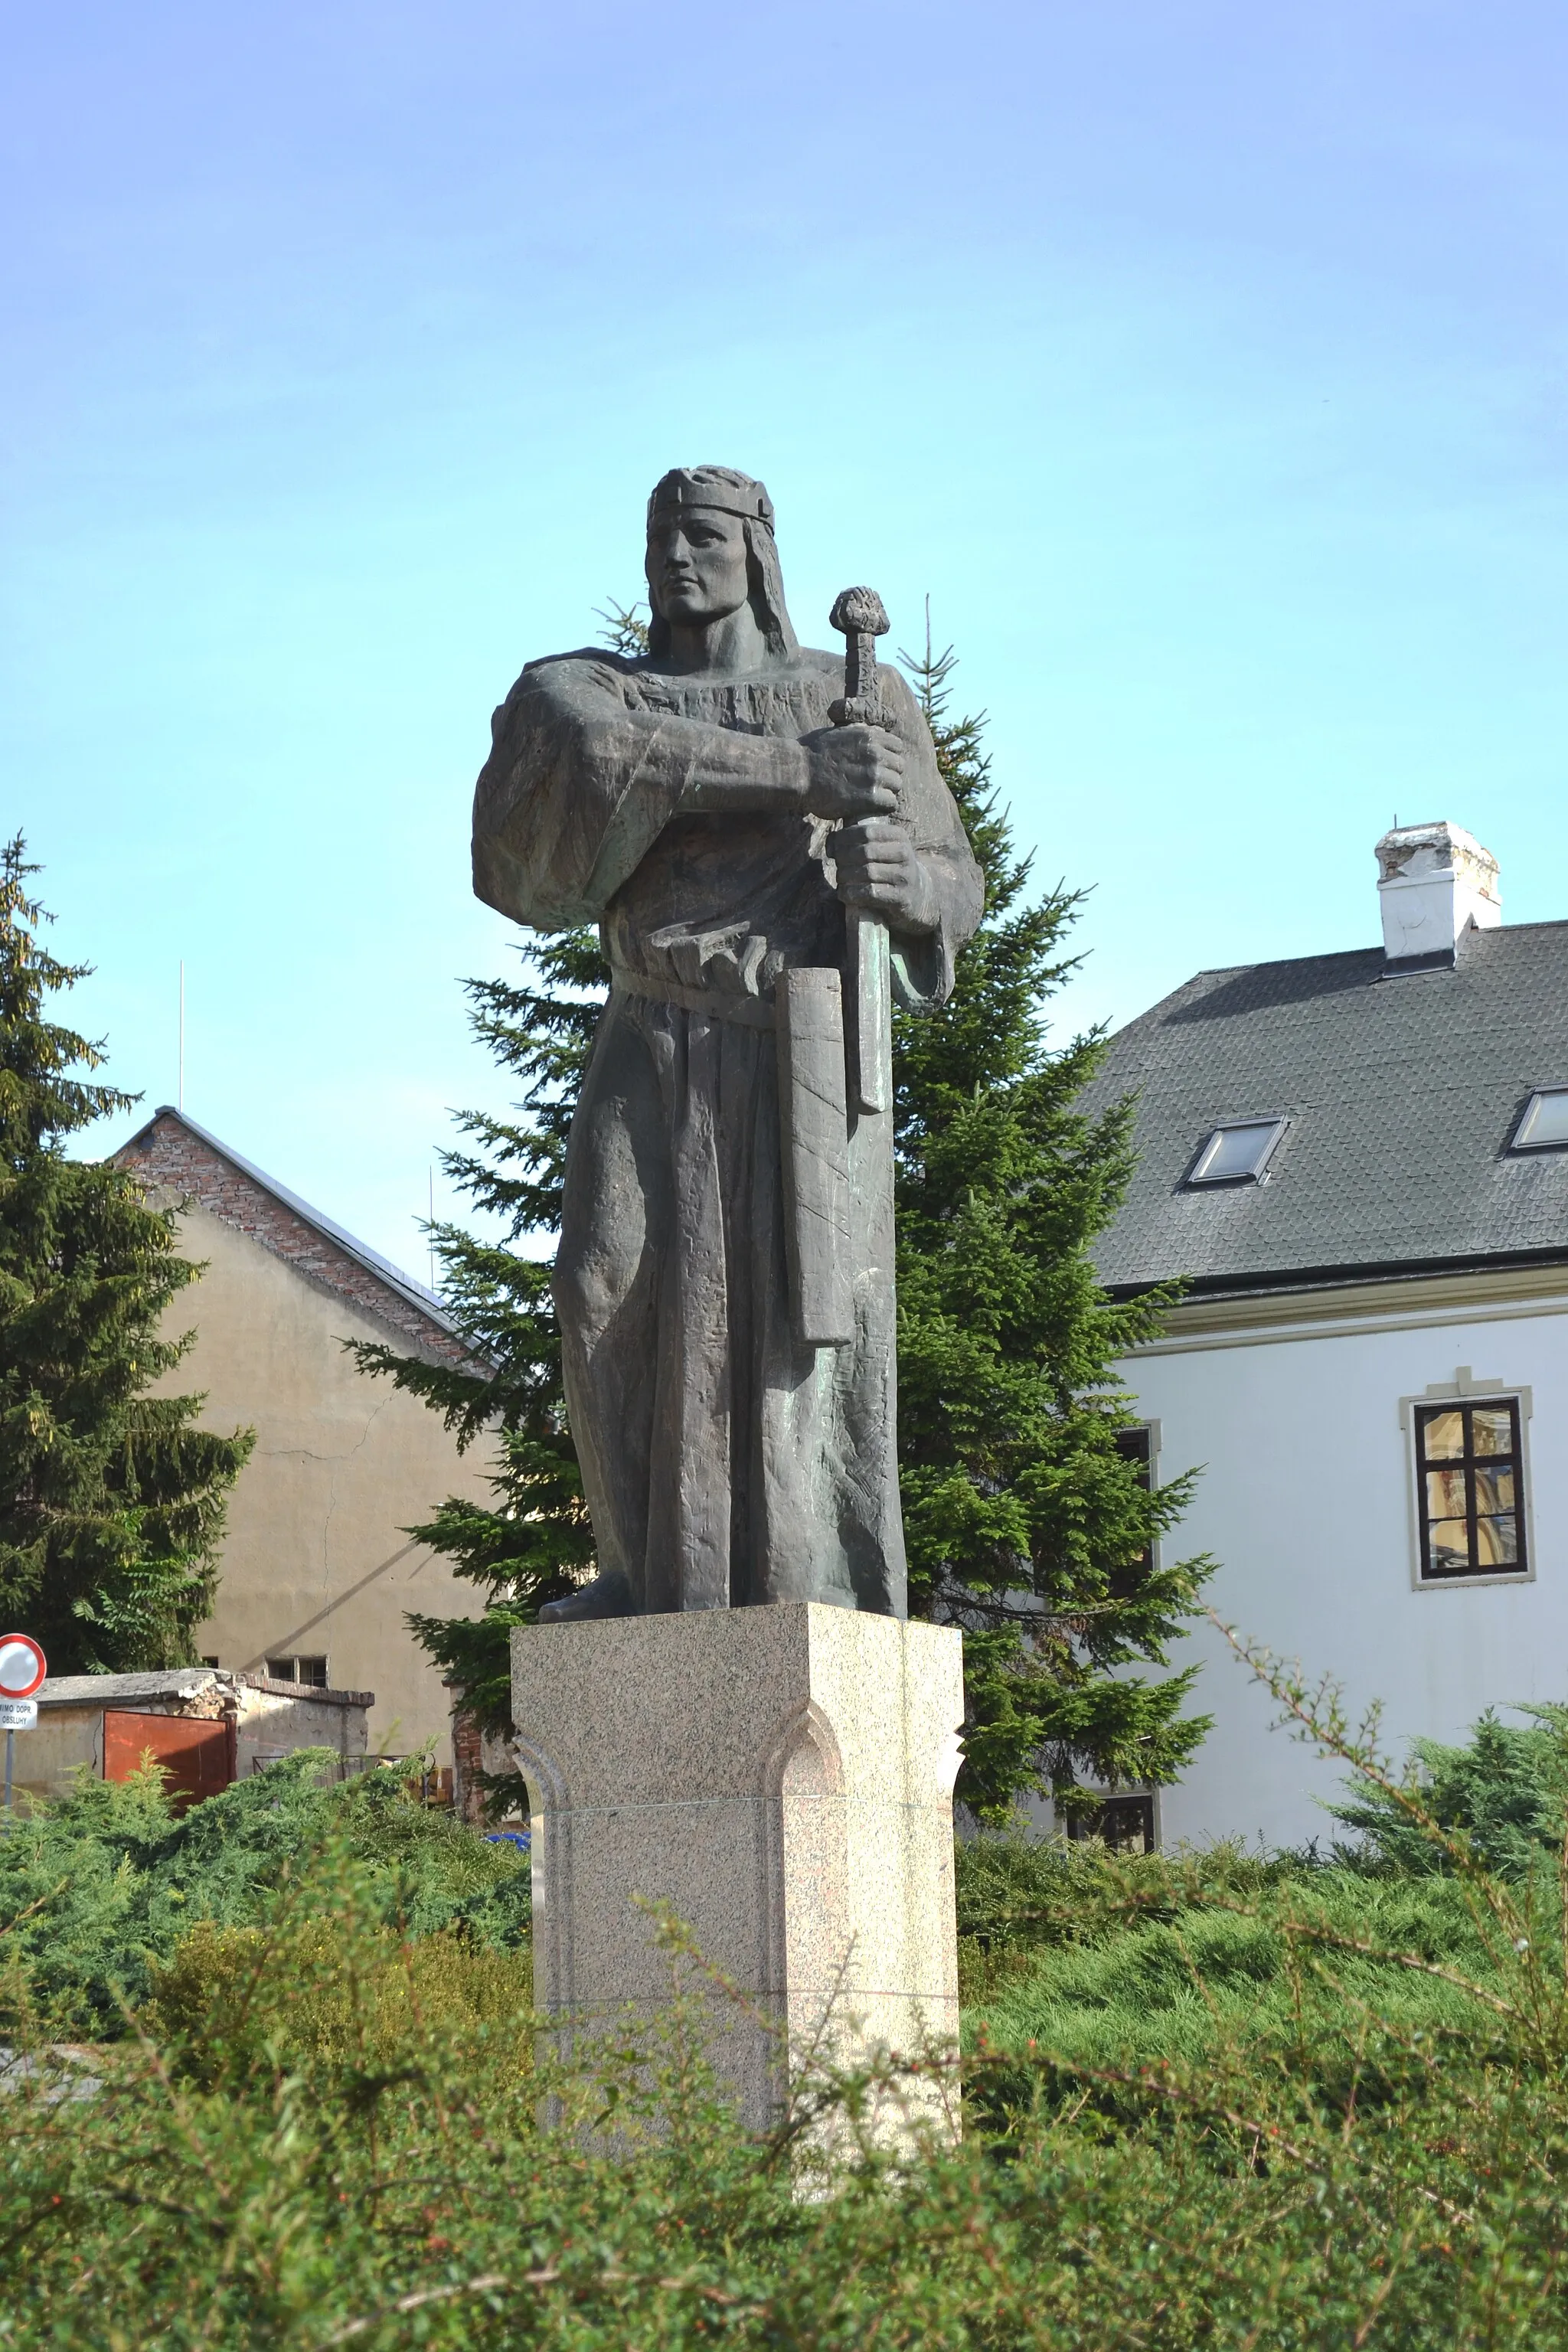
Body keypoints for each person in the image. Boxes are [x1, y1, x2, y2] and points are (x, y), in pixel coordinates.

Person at [472, 466, 983, 1619]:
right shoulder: (583, 692)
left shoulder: (858, 696)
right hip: (653, 1027)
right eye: (659, 538)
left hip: (796, 1037)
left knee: (790, 1339)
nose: (676, 558)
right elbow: (594, 770)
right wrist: (802, 774)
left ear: (758, 550)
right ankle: (643, 1573)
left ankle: (798, 1580)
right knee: (603, 1282)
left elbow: (957, 885)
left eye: (702, 535)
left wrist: (910, 886)